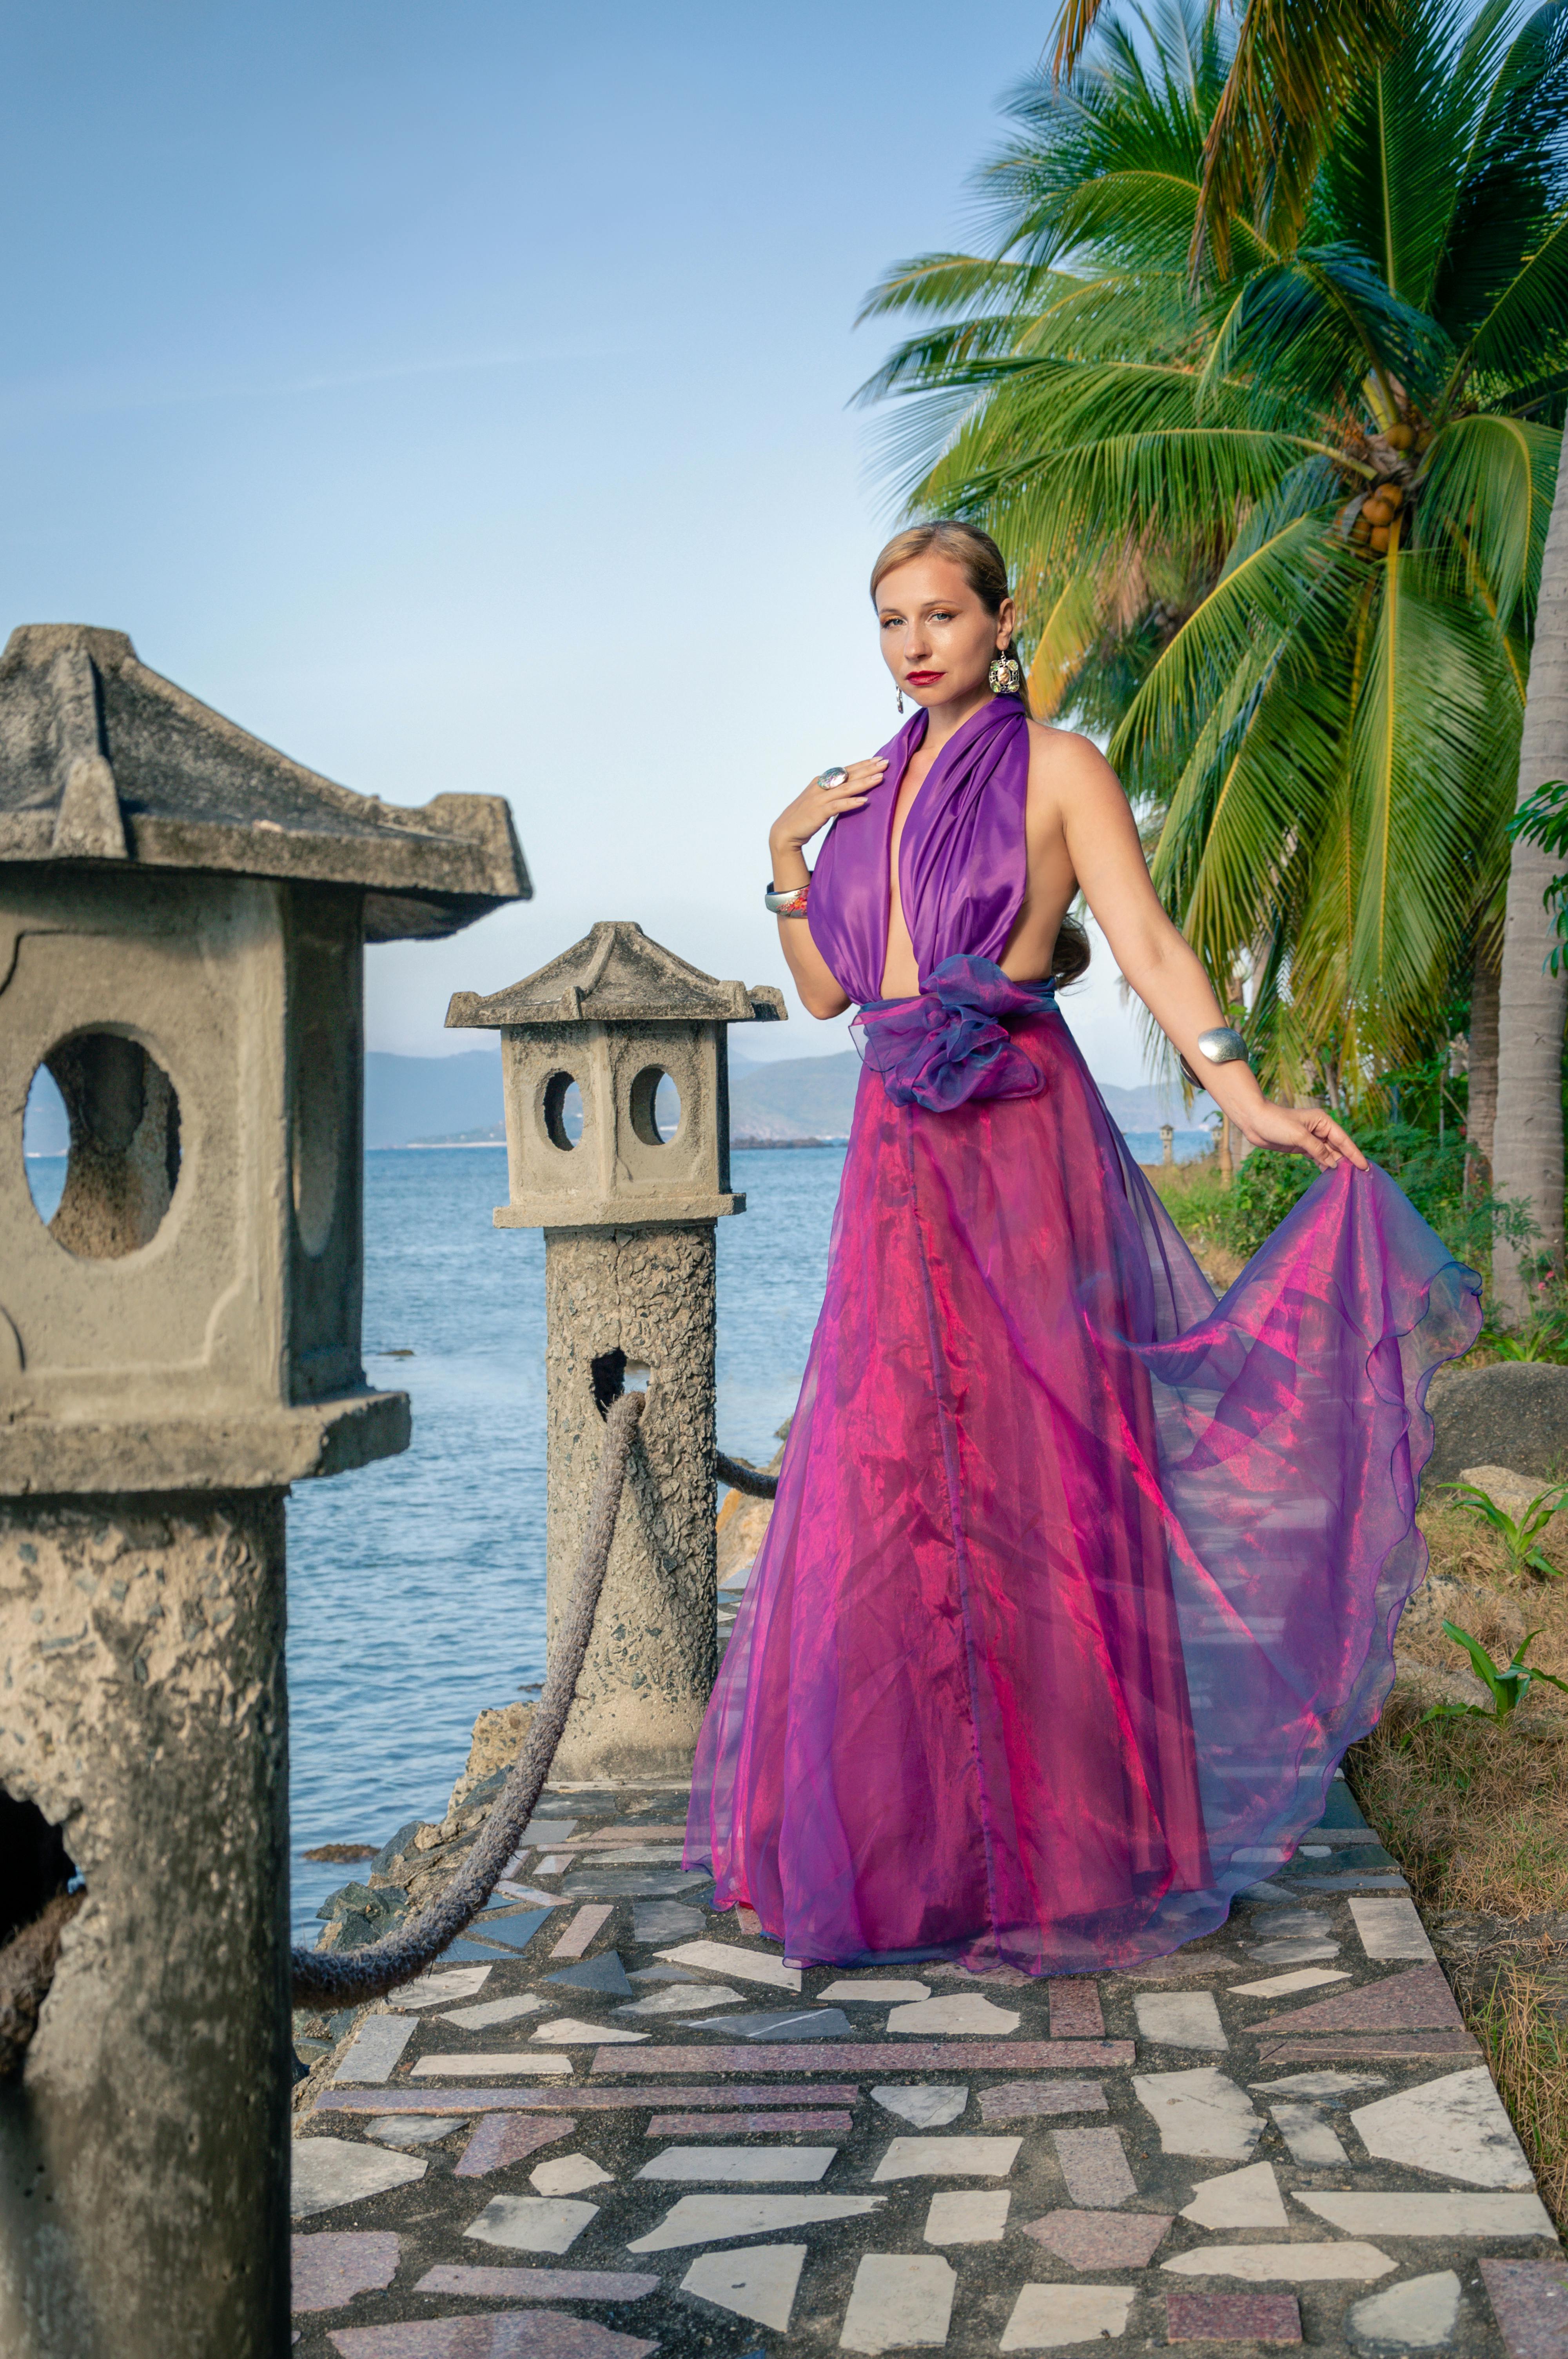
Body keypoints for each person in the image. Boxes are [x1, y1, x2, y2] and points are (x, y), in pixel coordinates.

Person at [684, 520, 1481, 1972]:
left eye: (941, 614)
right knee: (892, 1478)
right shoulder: (861, 792)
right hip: (894, 1150)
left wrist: (1246, 1094)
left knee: (1044, 1470)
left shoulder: (1061, 768)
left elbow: (1155, 947)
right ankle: (919, 1853)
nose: (914, 642)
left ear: (1004, 621)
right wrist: (786, 849)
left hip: (1017, 1134)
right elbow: (822, 995)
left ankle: (1072, 1849)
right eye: (888, 620)